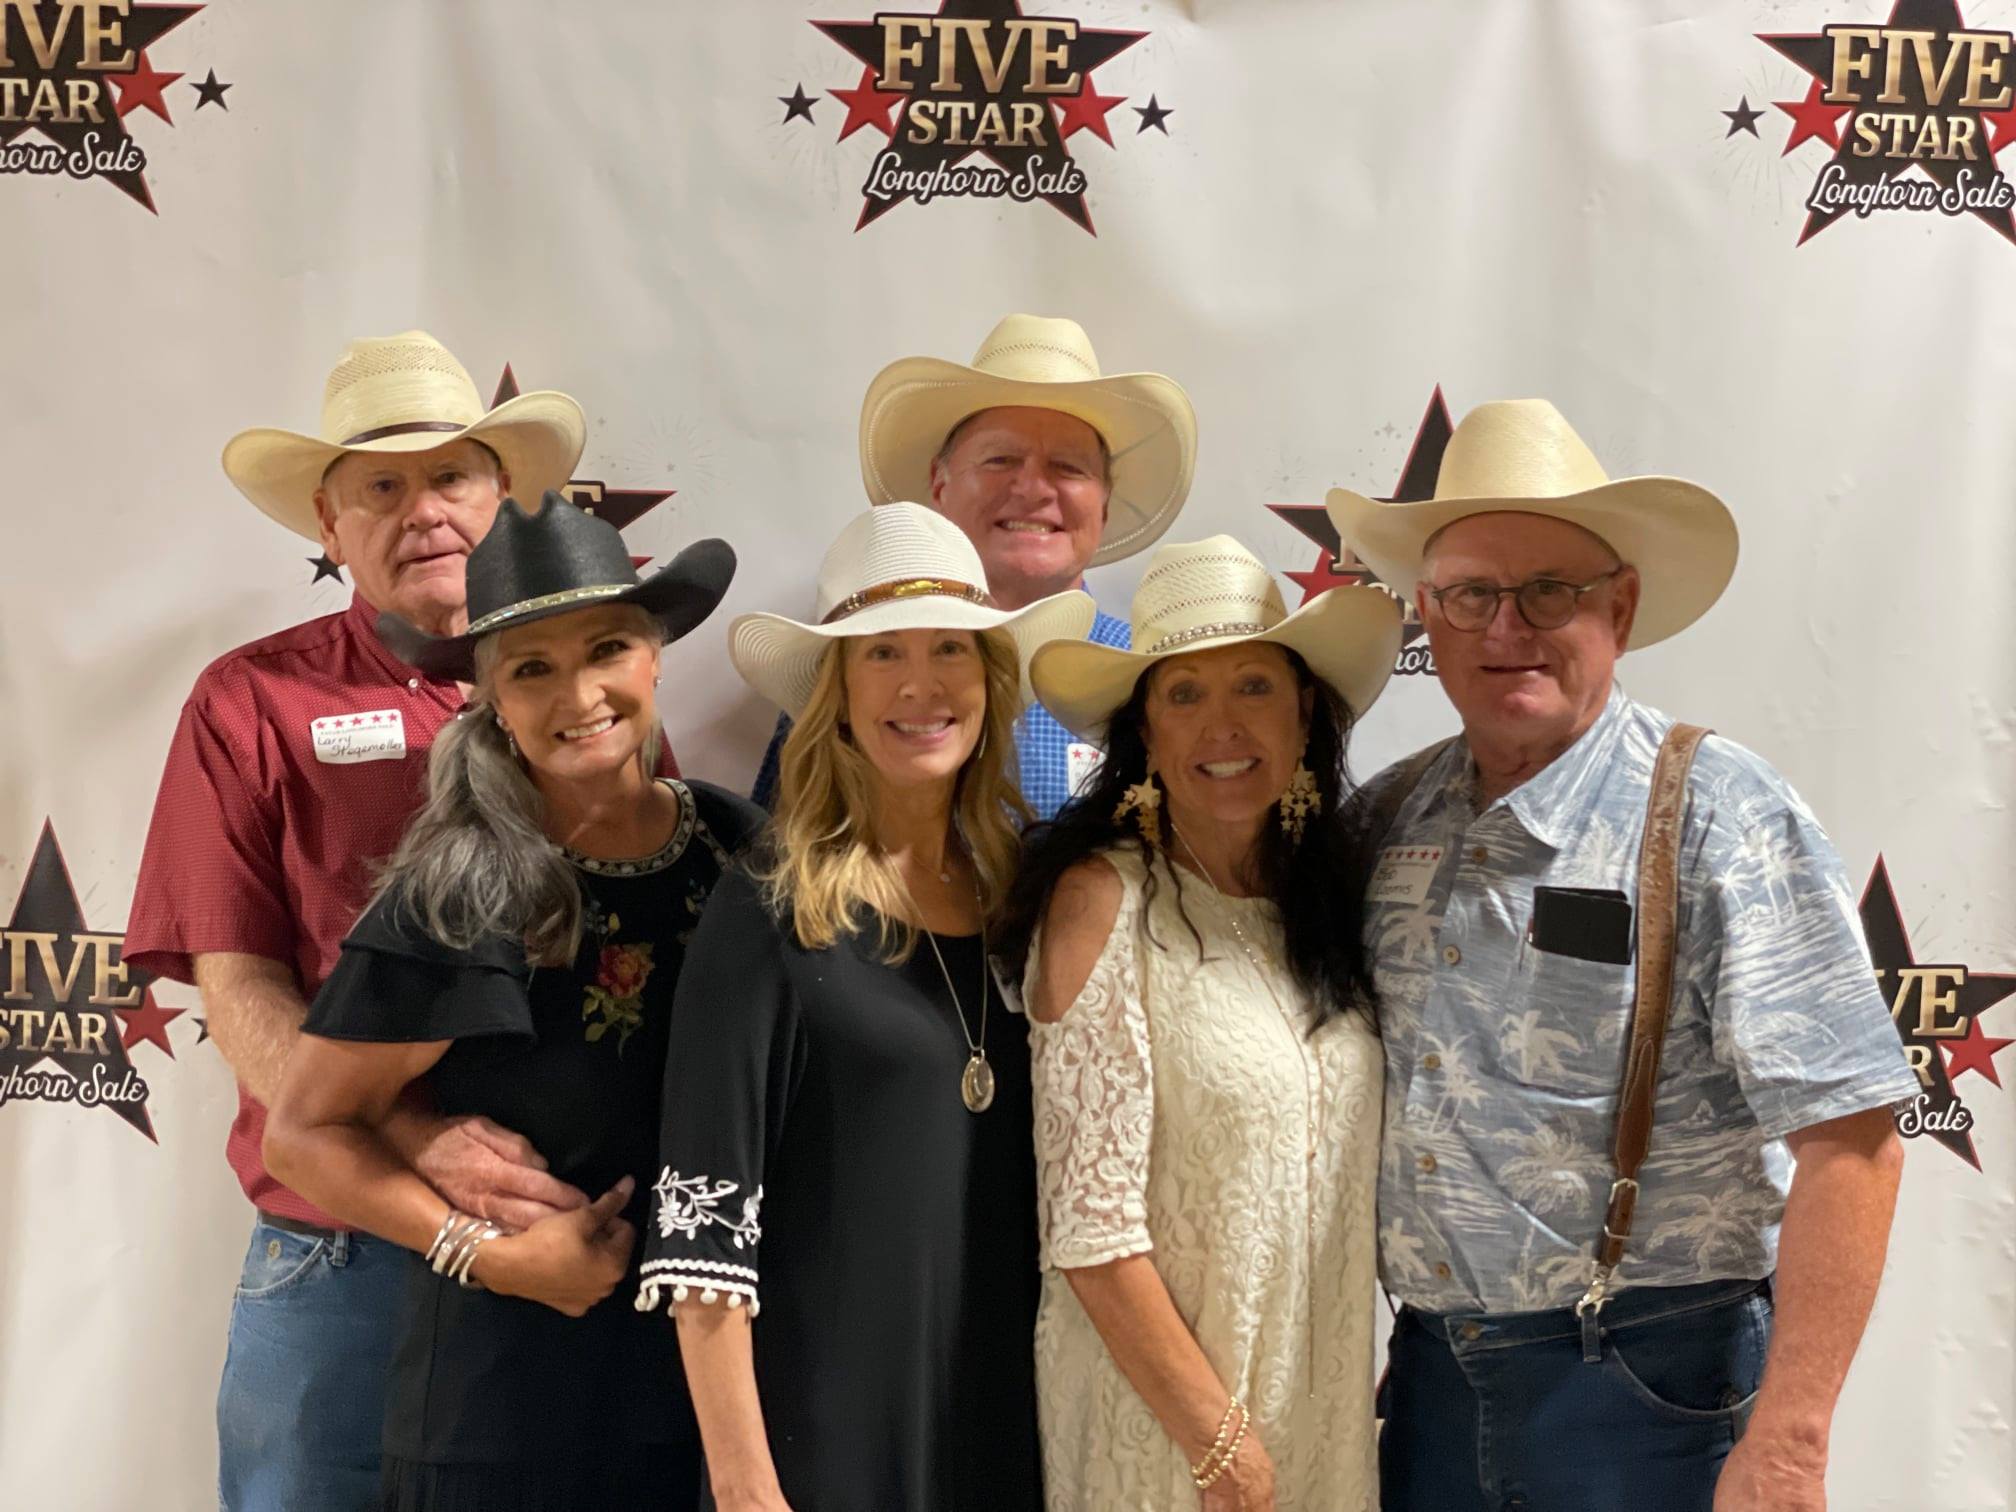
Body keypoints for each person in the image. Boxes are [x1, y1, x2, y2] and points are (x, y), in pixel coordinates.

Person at [1326, 398, 1919, 1512]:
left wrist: (1790, 1439)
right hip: (1427, 1389)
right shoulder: (1388, 818)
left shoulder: (1718, 814)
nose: (1508, 627)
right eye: (1470, 595)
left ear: (1622, 608)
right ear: (1428, 617)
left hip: (1655, 1386)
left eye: (1550, 590)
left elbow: (1854, 1141)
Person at [124, 332, 606, 1511]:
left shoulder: (594, 691)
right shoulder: (249, 701)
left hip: (563, 1233)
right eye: (381, 487)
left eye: (452, 477)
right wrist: (416, 1141)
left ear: (503, 501)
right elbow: (237, 991)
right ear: (328, 530)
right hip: (338, 1251)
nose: (424, 510)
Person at [263, 492, 753, 1510]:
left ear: (655, 656)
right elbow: (304, 1132)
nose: (580, 693)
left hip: (705, 1400)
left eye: (608, 647)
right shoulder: (459, 891)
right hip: (501, 1415)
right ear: (488, 696)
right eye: (533, 668)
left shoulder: (735, 848)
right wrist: (488, 1256)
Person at [640, 502, 1094, 1510]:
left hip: (1011, 1419)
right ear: (837, 693)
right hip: (825, 1430)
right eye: (882, 652)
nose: (921, 684)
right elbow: (701, 1234)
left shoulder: (1028, 896)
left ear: (992, 682)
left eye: (950, 651)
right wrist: (747, 1488)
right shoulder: (767, 905)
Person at [995, 536, 1403, 1511]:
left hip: (1318, 1414)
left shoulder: (1330, 911)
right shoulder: (1104, 904)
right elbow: (1089, 1231)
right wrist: (1220, 1448)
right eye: (1185, 694)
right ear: (1146, 727)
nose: (1223, 724)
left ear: (1304, 710)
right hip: (1169, 1437)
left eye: (1254, 685)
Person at [752, 313, 1196, 817]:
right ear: (939, 487)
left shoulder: (1161, 682)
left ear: (1105, 506)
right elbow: (784, 867)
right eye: (1000, 460)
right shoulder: (844, 675)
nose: (1032, 489)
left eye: (1068, 468)